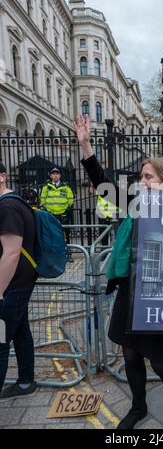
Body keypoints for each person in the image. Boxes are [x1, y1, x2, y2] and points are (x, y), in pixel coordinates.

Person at [75, 114, 163, 430]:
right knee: (130, 356)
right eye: (142, 176)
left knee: (162, 362)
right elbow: (102, 184)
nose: (142, 182)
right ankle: (138, 408)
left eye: (149, 177)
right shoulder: (136, 204)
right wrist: (86, 145)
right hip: (131, 292)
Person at [0, 162, 38, 399]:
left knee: (0, 342)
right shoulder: (14, 203)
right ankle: (25, 383)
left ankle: (26, 382)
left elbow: (12, 252)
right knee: (20, 332)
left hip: (10, 286)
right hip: (17, 284)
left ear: (2, 176)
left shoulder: (8, 207)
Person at [40, 168, 74, 247]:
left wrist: (67, 210)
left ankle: (67, 251)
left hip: (63, 214)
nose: (55, 175)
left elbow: (70, 199)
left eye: (57, 174)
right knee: (50, 232)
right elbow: (43, 199)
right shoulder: (46, 187)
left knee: (66, 233)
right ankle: (53, 252)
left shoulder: (66, 187)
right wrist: (47, 209)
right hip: (51, 214)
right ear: (51, 176)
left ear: (60, 176)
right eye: (54, 174)